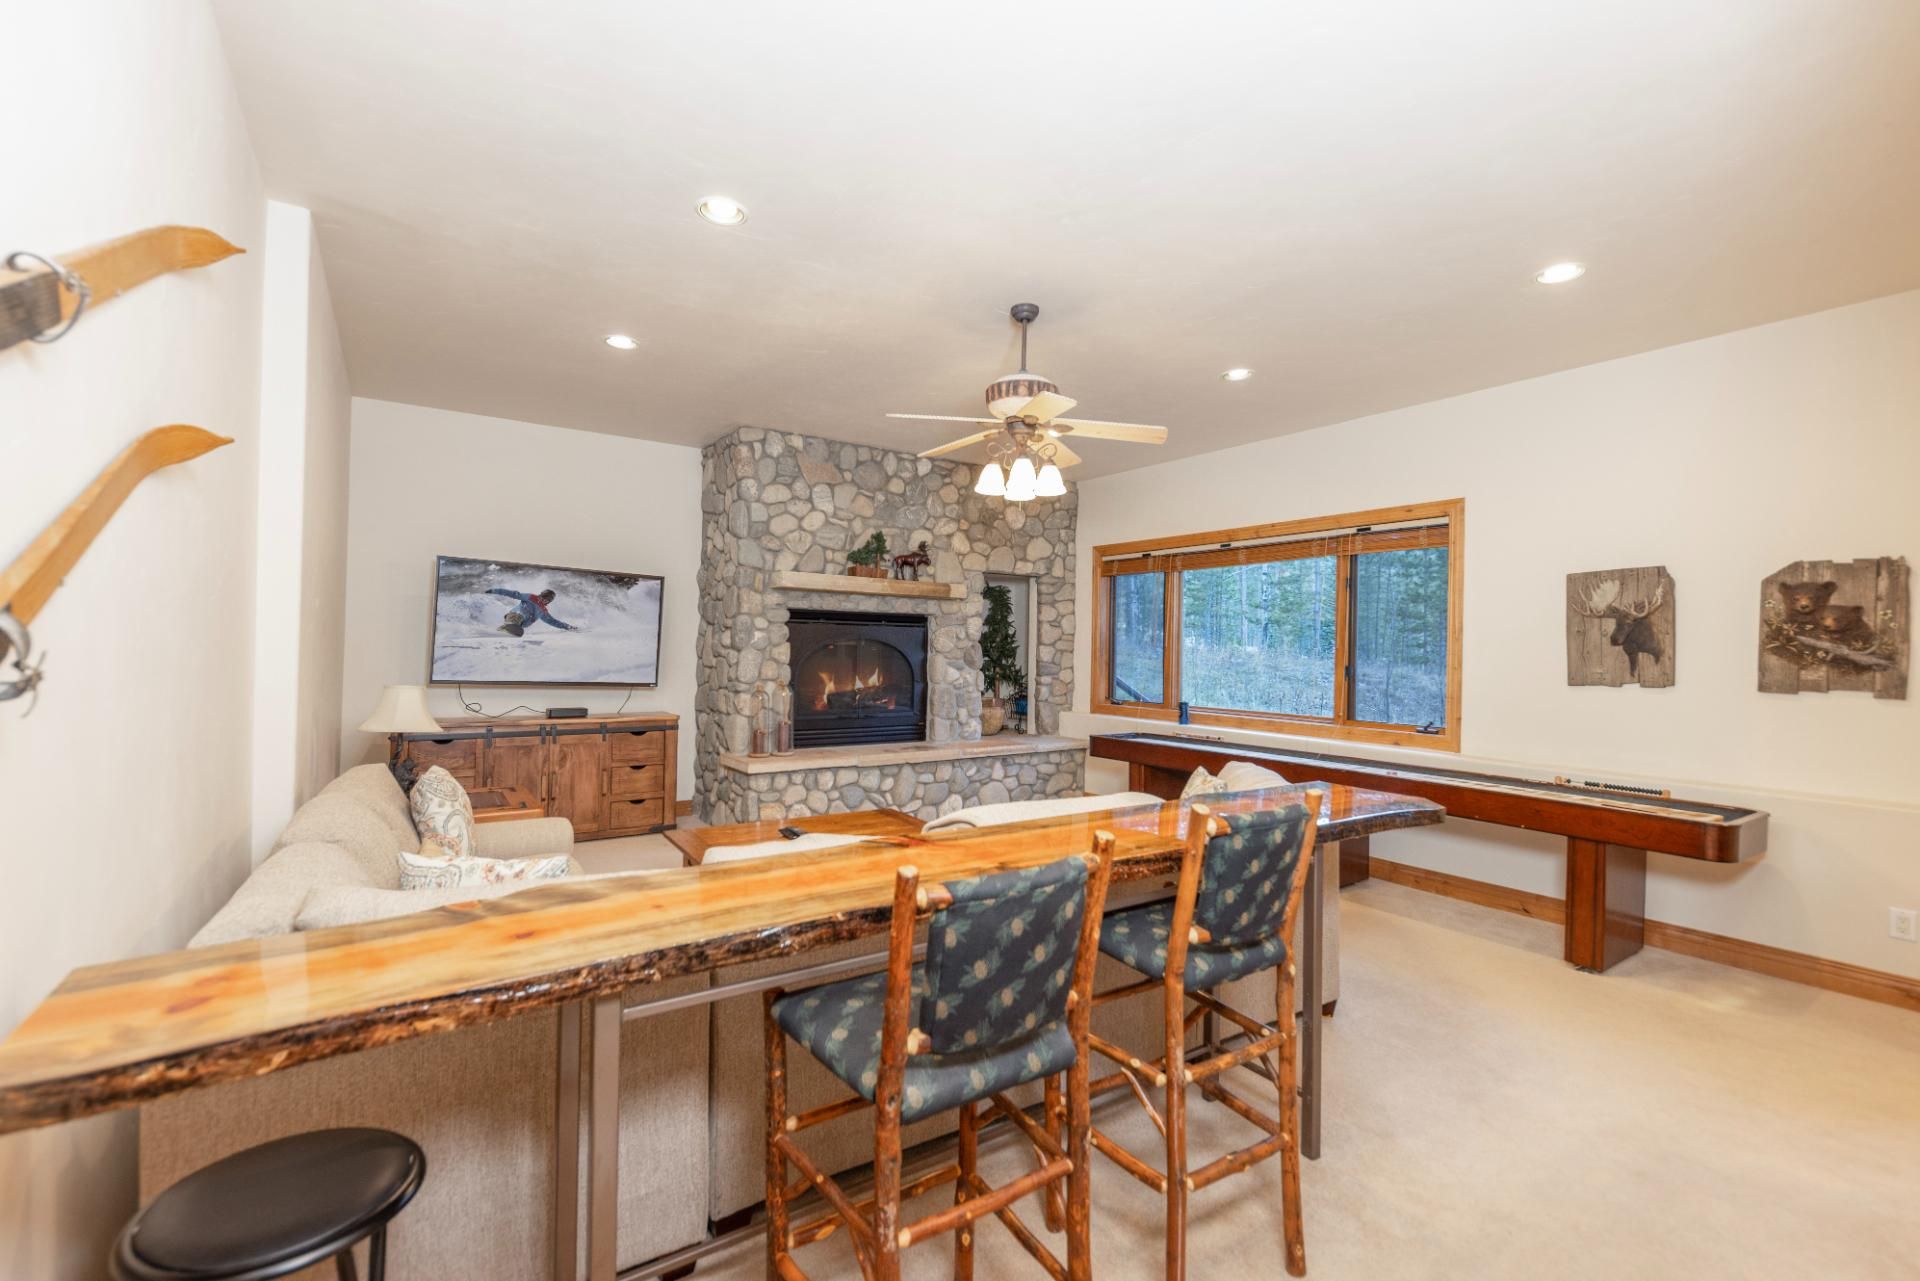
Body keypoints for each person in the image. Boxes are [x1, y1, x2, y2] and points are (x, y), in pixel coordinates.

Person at [488, 586, 577, 637]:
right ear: (541, 595)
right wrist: (495, 590)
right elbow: (513, 594)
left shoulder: (543, 611)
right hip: (513, 616)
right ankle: (510, 624)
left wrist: (568, 627)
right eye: (543, 597)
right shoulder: (531, 597)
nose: (544, 600)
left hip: (520, 625)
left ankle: (504, 629)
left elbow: (553, 621)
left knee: (521, 625)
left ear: (549, 601)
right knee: (519, 616)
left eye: (547, 600)